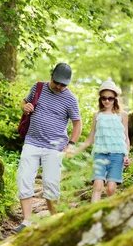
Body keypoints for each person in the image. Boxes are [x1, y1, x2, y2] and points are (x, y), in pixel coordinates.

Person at [13, 63, 82, 233]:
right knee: (24, 179)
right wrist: (25, 107)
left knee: (51, 184)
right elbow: (24, 102)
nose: (59, 86)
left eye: (63, 84)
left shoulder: (70, 99)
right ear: (51, 76)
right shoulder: (38, 87)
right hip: (32, 142)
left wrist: (71, 144)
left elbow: (77, 124)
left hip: (54, 147)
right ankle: (27, 221)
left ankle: (53, 221)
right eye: (57, 82)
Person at [71, 79, 129, 203]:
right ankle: (93, 215)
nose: (107, 101)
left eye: (110, 98)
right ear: (100, 99)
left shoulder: (123, 115)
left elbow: (126, 137)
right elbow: (90, 139)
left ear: (115, 99)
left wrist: (126, 155)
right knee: (97, 185)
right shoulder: (97, 116)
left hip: (117, 155)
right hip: (100, 154)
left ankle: (108, 214)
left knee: (111, 189)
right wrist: (74, 150)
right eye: (104, 98)